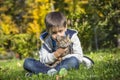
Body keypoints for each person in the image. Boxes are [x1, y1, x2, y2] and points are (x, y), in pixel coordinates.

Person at [23, 11, 94, 76]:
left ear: (65, 27)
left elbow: (78, 56)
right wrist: (55, 54)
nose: (58, 35)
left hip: (65, 63)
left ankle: (45, 73)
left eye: (60, 31)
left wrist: (62, 57)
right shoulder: (46, 40)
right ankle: (51, 72)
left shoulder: (72, 37)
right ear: (48, 31)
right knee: (27, 62)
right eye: (54, 33)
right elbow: (43, 59)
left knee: (73, 61)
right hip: (49, 65)